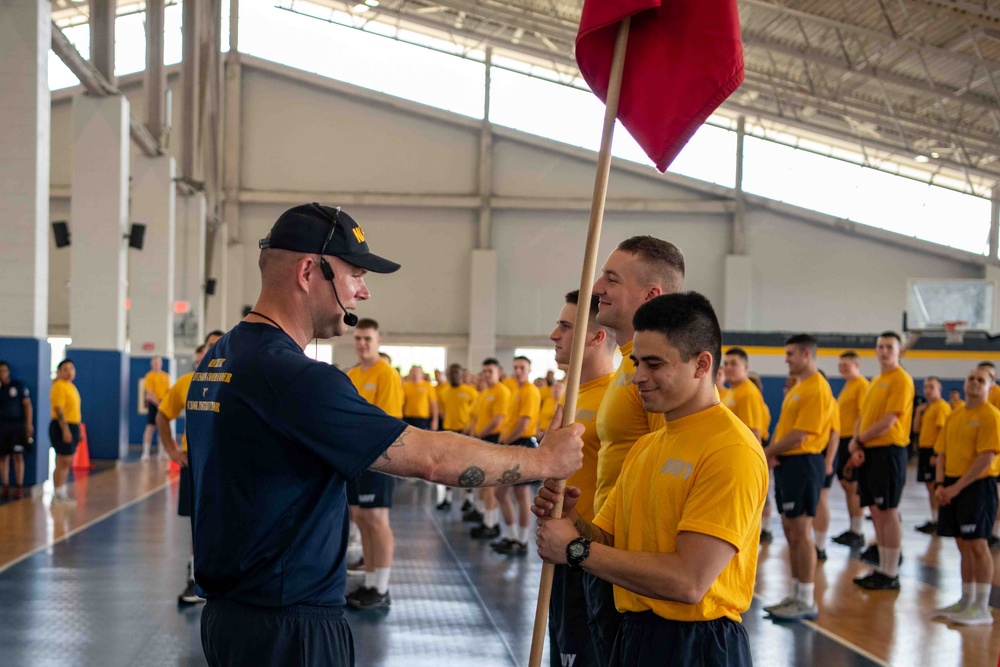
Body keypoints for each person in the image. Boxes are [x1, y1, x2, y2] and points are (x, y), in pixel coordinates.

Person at [186, 203, 584, 666]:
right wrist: (543, 461)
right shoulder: (294, 377)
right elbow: (429, 458)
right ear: (309, 270)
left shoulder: (222, 356)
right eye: (355, 274)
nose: (363, 291)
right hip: (287, 627)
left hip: (232, 616)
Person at [534, 292, 767, 667]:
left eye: (655, 364)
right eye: (637, 362)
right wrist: (571, 522)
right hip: (635, 632)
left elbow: (687, 582)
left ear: (701, 364)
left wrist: (575, 550)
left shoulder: (730, 450)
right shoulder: (646, 446)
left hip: (696, 645)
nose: (639, 377)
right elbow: (609, 540)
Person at [586, 235, 681, 665]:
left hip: (631, 568)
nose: (597, 289)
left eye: (611, 279)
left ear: (651, 295)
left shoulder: (661, 377)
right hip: (606, 552)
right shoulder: (628, 364)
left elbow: (669, 472)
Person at [546, 289, 614, 667]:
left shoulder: (619, 399)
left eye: (566, 326)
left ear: (596, 335)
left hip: (593, 558)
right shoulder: (571, 397)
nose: (554, 335)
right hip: (562, 552)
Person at [761, 335, 834, 621]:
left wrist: (768, 450)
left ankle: (806, 598)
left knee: (801, 531)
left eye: (790, 354)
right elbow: (786, 428)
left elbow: (801, 434)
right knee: (791, 530)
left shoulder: (817, 388)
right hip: (789, 462)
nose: (786, 359)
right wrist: (776, 452)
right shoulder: (799, 388)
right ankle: (795, 594)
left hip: (804, 462)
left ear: (806, 354)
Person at [931, 365, 999, 626]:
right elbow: (942, 453)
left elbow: (985, 458)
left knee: (978, 545)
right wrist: (940, 485)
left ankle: (981, 607)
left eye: (980, 380)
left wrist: (956, 488)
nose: (973, 383)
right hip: (950, 484)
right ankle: (966, 599)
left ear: (990, 387)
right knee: (962, 545)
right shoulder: (955, 414)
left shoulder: (991, 416)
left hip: (977, 486)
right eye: (971, 378)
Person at [155, 335, 220, 604]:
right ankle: (197, 579)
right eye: (210, 346)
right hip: (195, 464)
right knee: (199, 524)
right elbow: (162, 415)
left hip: (229, 465)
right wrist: (172, 451)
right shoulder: (186, 383)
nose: (213, 351)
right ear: (202, 351)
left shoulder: (239, 380)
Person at [848, 332, 915, 590]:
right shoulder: (875, 381)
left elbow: (889, 421)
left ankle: (890, 573)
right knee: (876, 511)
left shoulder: (901, 379)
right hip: (870, 451)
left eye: (889, 347)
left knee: (888, 511)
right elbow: (863, 417)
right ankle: (883, 569)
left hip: (889, 451)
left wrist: (860, 440)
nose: (884, 351)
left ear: (899, 352)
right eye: (880, 347)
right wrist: (856, 442)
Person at [345, 318, 403, 610]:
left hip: (378, 457)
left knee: (377, 521)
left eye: (368, 338)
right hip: (354, 458)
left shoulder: (387, 374)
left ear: (378, 341)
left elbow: (388, 421)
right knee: (362, 518)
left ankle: (381, 588)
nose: (362, 344)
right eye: (358, 338)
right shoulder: (352, 374)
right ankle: (369, 581)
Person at [492, 356, 542, 557]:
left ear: (529, 370)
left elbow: (523, 424)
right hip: (512, 444)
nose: (518, 371)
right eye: (515, 367)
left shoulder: (530, 391)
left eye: (522, 367)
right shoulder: (516, 391)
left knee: (521, 495)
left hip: (521, 444)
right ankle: (512, 536)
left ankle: (521, 541)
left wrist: (504, 443)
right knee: (500, 493)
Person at [721, 347, 772, 543]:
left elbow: (754, 433)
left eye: (734, 363)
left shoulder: (748, 393)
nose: (729, 368)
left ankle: (758, 532)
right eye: (726, 363)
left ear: (745, 367)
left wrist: (755, 467)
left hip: (742, 458)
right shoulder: (731, 392)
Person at [466, 358, 511, 538]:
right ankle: (485, 518)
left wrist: (479, 435)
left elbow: (498, 419)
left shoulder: (502, 392)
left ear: (498, 372)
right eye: (484, 371)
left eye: (490, 371)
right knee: (482, 481)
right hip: (481, 438)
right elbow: (478, 417)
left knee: (490, 483)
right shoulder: (486, 392)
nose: (486, 375)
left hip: (491, 438)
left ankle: (492, 524)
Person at [831, 351, 870, 548]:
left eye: (846, 365)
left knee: (853, 486)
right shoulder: (848, 386)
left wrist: (857, 443)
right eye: (840, 365)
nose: (842, 369)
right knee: (847, 485)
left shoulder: (862, 385)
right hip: (843, 439)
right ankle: (853, 528)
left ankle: (858, 531)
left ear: (857, 365)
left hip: (852, 440)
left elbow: (864, 415)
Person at [434, 364, 479, 511]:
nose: (454, 375)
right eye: (451, 373)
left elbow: (476, 414)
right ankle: (447, 499)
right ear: (447, 375)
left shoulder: (471, 392)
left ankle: (468, 499)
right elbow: (441, 411)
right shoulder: (444, 392)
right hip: (449, 432)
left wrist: (470, 429)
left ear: (462, 374)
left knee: (468, 466)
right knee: (447, 466)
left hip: (465, 432)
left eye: (456, 373)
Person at [913, 377, 951, 535]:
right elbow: (916, 429)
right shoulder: (928, 407)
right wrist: (918, 412)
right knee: (929, 487)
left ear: (939, 389)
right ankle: (935, 519)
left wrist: (937, 454)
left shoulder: (941, 407)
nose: (928, 390)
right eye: (926, 387)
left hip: (934, 451)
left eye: (932, 387)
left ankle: (940, 520)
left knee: (935, 486)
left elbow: (944, 432)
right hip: (924, 449)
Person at [49, 359, 82, 506]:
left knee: (67, 461)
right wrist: (66, 430)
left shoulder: (71, 387)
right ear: (59, 372)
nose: (69, 372)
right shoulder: (59, 387)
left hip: (73, 425)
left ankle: (61, 493)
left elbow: (74, 411)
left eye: (71, 368)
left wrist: (78, 430)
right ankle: (57, 495)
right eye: (65, 369)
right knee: (62, 460)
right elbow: (59, 410)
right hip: (62, 426)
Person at [0, 361, 33, 500]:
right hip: (2, 426)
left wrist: (28, 424)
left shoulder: (18, 386)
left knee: (18, 456)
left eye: (4, 371)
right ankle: (5, 486)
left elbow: (27, 405)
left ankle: (19, 487)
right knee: (3, 456)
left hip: (17, 426)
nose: (2, 374)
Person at [141, 356, 171, 461]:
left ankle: (161, 452)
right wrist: (158, 403)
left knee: (162, 428)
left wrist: (165, 404)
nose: (156, 364)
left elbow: (169, 392)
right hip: (154, 404)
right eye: (154, 362)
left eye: (158, 362)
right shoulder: (149, 376)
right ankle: (145, 453)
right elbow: (149, 393)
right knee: (150, 427)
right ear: (151, 364)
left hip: (163, 403)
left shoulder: (166, 376)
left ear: (161, 363)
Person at [402, 366, 439, 432]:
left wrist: (435, 420)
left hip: (423, 419)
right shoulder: (405, 385)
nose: (415, 373)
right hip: (408, 418)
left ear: (422, 374)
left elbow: (433, 404)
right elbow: (402, 403)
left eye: (417, 371)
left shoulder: (428, 386)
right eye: (413, 371)